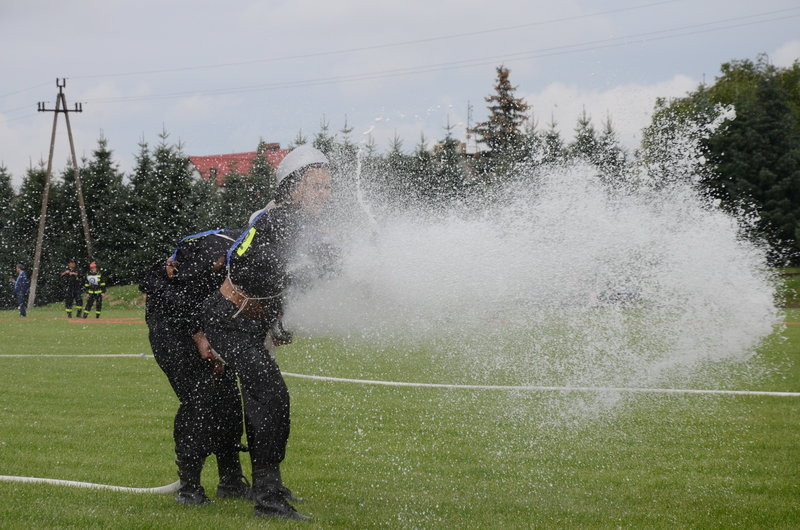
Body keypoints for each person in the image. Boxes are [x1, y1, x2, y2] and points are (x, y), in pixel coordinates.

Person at [201, 144, 331, 521]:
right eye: (316, 186)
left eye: (328, 187)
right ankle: (268, 499)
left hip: (250, 321)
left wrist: (279, 321)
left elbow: (286, 276)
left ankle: (269, 489)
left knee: (271, 399)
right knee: (270, 395)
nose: (325, 194)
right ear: (292, 189)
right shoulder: (279, 220)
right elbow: (308, 262)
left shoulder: (290, 222)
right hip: (229, 320)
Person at [139, 228, 252, 506]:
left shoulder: (250, 250)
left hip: (207, 324)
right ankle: (189, 488)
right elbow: (173, 293)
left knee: (228, 402)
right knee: (199, 400)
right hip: (172, 329)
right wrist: (199, 336)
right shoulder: (215, 251)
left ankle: (231, 481)